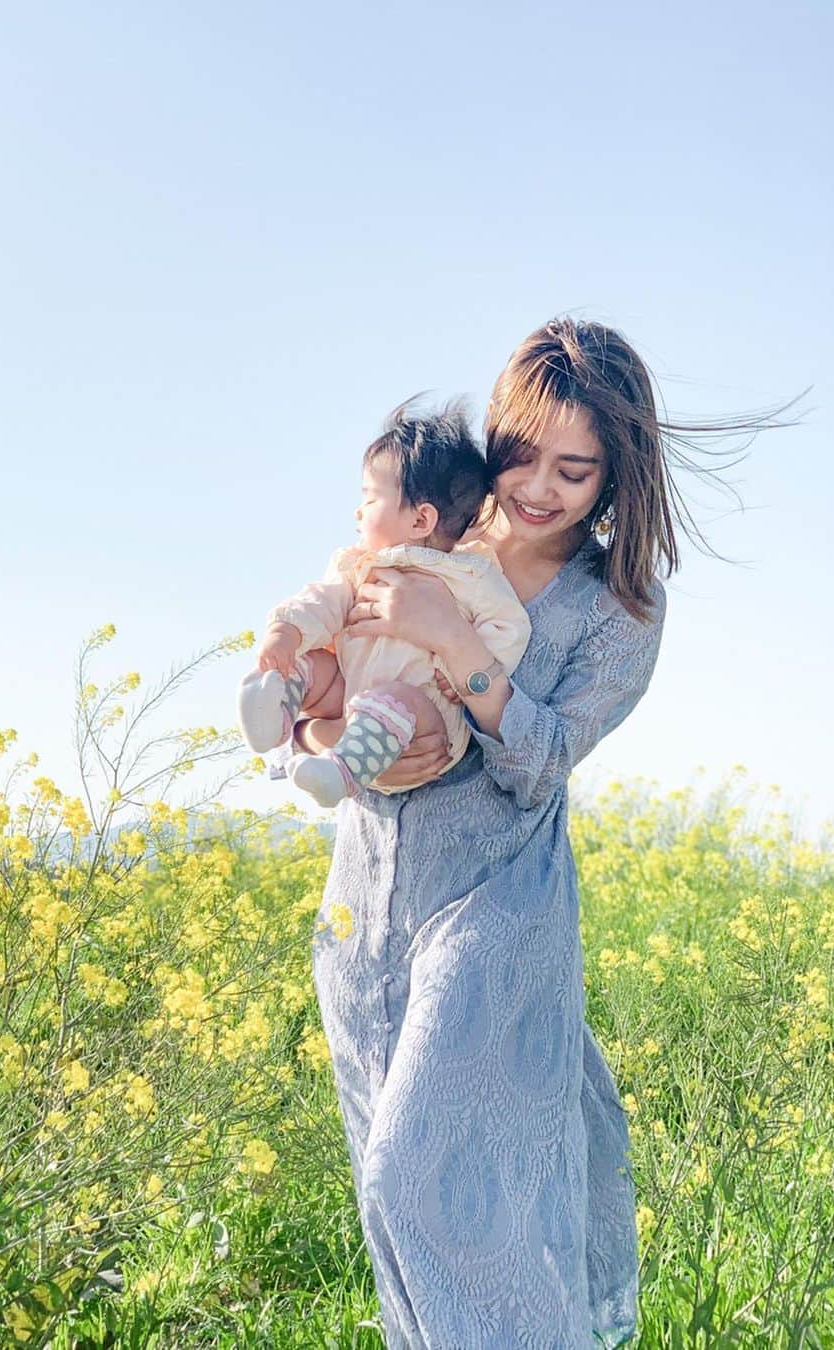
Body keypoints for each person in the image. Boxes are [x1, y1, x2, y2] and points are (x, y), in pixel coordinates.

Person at [265, 317, 793, 1347]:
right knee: (397, 1199)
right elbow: (327, 679)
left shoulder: (619, 611)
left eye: (577, 469)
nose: (541, 488)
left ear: (617, 477)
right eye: (523, 456)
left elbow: (545, 762)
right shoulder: (429, 537)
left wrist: (460, 648)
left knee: (416, 1171)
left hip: (496, 910)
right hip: (369, 907)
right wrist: (328, 720)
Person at [237, 399, 531, 808]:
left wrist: (458, 666)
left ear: (420, 520)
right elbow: (324, 601)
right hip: (351, 697)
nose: (358, 511)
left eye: (371, 498)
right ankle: (276, 710)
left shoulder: (470, 574)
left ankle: (341, 772)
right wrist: (286, 631)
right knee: (315, 665)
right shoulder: (360, 565)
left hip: (425, 721)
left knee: (396, 698)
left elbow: (509, 627)